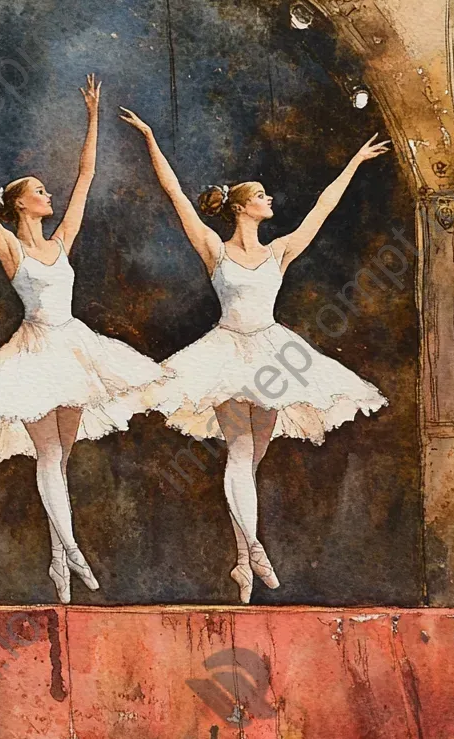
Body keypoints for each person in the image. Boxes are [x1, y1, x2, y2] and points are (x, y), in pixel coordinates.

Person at [120, 106, 390, 603]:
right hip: (224, 355)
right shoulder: (213, 248)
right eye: (262, 196)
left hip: (270, 352)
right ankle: (255, 550)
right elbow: (176, 195)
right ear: (243, 207)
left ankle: (242, 562)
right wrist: (151, 138)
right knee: (240, 455)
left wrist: (353, 162)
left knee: (252, 459)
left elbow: (322, 210)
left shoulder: (280, 250)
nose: (270, 201)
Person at [0, 76, 170, 603]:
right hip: (35, 354)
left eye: (46, 189)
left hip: (75, 348)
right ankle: (73, 551)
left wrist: (93, 114)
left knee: (61, 461)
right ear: (21, 205)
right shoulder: (10, 248)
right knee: (47, 457)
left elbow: (86, 176)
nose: (49, 194)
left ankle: (57, 565)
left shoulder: (61, 240)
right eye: (39, 190)